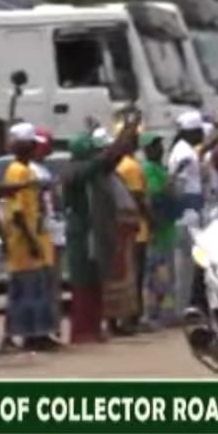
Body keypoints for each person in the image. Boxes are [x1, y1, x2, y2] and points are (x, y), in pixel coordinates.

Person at [64, 122, 140, 344]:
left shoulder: (93, 171)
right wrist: (117, 144)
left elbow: (108, 162)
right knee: (83, 282)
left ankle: (94, 328)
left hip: (94, 232)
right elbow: (100, 163)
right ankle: (82, 331)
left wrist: (125, 139)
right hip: (82, 233)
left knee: (96, 280)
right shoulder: (74, 171)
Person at [0, 123, 59, 352]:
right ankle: (26, 335)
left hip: (36, 236)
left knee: (38, 289)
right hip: (23, 241)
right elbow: (17, 213)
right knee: (27, 290)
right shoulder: (18, 171)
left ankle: (39, 333)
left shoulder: (28, 170)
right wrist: (32, 241)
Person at [169, 111, 208, 316]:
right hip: (187, 214)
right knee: (186, 266)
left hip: (190, 211)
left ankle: (184, 307)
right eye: (200, 130)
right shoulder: (184, 153)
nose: (202, 134)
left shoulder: (185, 149)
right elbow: (178, 185)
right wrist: (181, 210)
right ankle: (181, 309)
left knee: (189, 266)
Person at [114, 129, 151, 335]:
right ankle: (132, 318)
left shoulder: (120, 165)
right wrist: (151, 219)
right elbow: (138, 197)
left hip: (125, 227)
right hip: (138, 228)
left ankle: (127, 318)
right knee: (135, 276)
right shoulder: (131, 166)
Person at [31, 126, 65, 342]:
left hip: (52, 231)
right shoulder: (32, 170)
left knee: (52, 284)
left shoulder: (43, 169)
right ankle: (39, 331)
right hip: (42, 233)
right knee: (43, 284)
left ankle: (48, 329)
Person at [140, 132, 176, 330]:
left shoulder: (160, 168)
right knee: (155, 275)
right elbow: (154, 198)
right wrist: (170, 186)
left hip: (167, 230)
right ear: (146, 150)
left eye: (160, 145)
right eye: (154, 145)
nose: (159, 149)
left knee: (163, 274)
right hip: (156, 230)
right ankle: (150, 315)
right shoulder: (148, 169)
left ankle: (160, 313)